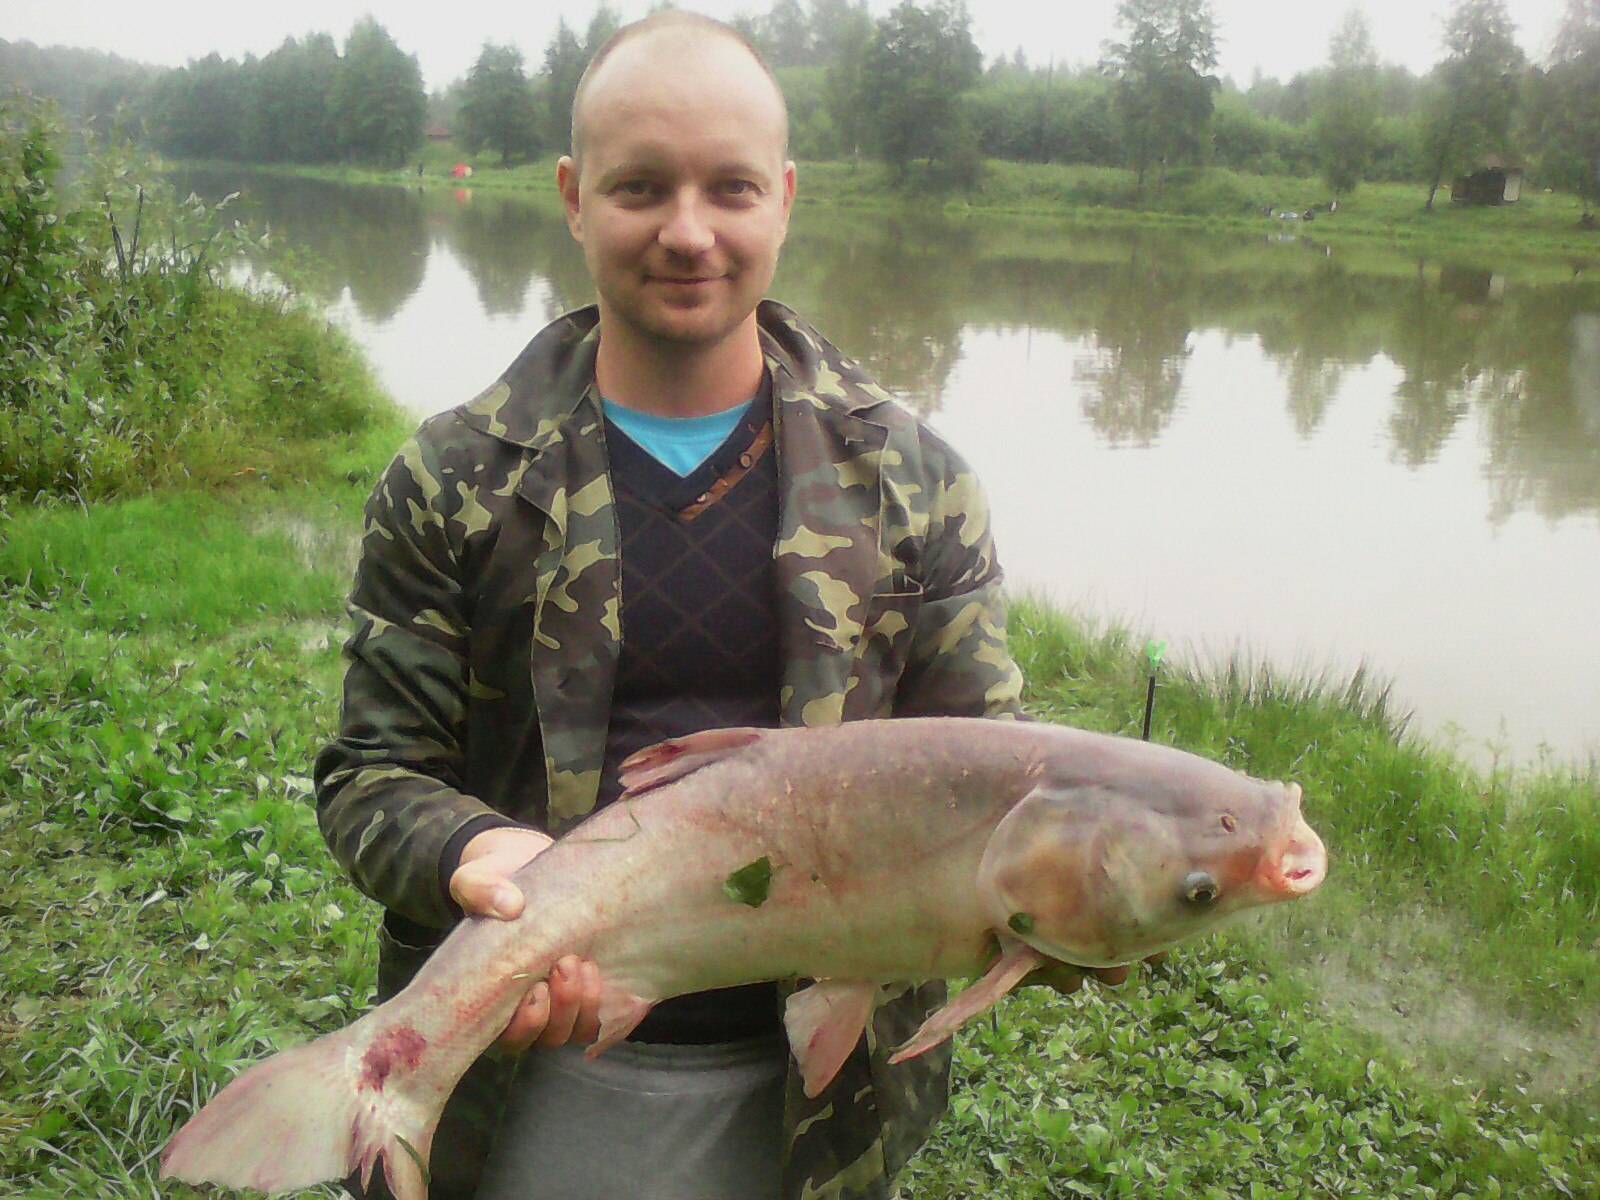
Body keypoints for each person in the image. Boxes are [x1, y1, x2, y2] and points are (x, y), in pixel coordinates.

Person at [315, 12, 1130, 1200]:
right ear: (573, 196)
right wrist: (478, 856)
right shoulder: (455, 479)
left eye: (730, 188)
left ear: (785, 197)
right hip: (526, 1067)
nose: (688, 233)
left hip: (816, 1099)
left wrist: (1078, 904)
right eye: (641, 186)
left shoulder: (917, 483)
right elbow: (368, 778)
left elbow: (994, 775)